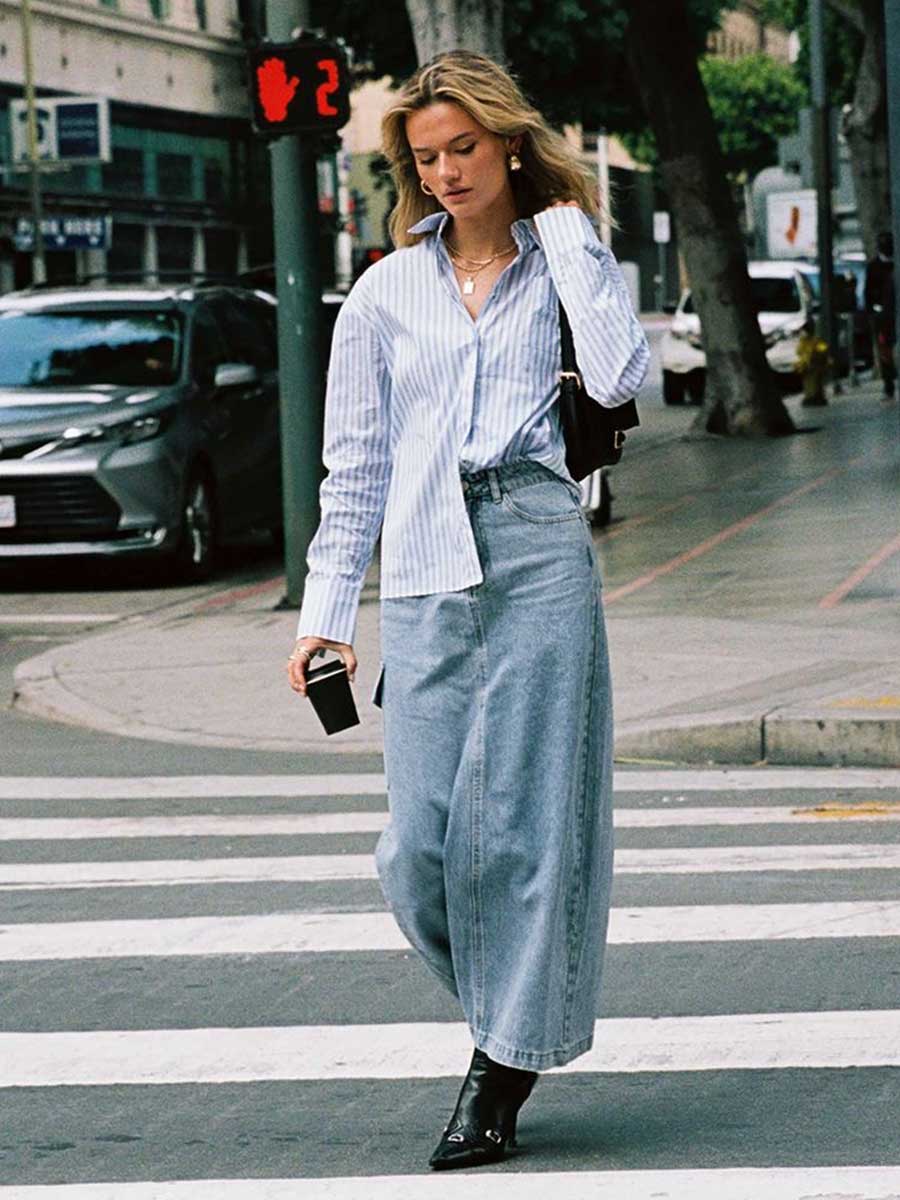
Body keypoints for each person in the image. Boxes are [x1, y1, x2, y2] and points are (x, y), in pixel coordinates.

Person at [285, 50, 649, 1171]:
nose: (443, 171)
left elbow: (624, 376)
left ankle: (501, 1067)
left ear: (507, 145)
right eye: (425, 156)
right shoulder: (386, 292)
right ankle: (523, 1010)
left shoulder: (563, 259)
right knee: (420, 847)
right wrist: (324, 614)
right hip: (431, 563)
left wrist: (573, 235)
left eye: (462, 149)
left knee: (532, 833)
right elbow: (354, 471)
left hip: (539, 551)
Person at [865, 230, 895, 401]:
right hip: (883, 317)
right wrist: (873, 313)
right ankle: (888, 385)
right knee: (885, 353)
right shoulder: (873, 267)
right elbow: (868, 292)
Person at [795, 317, 830, 407]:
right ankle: (811, 396)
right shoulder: (807, 341)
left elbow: (823, 350)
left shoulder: (814, 341)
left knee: (814, 383)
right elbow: (799, 352)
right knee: (810, 383)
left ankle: (813, 397)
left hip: (813, 366)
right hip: (808, 366)